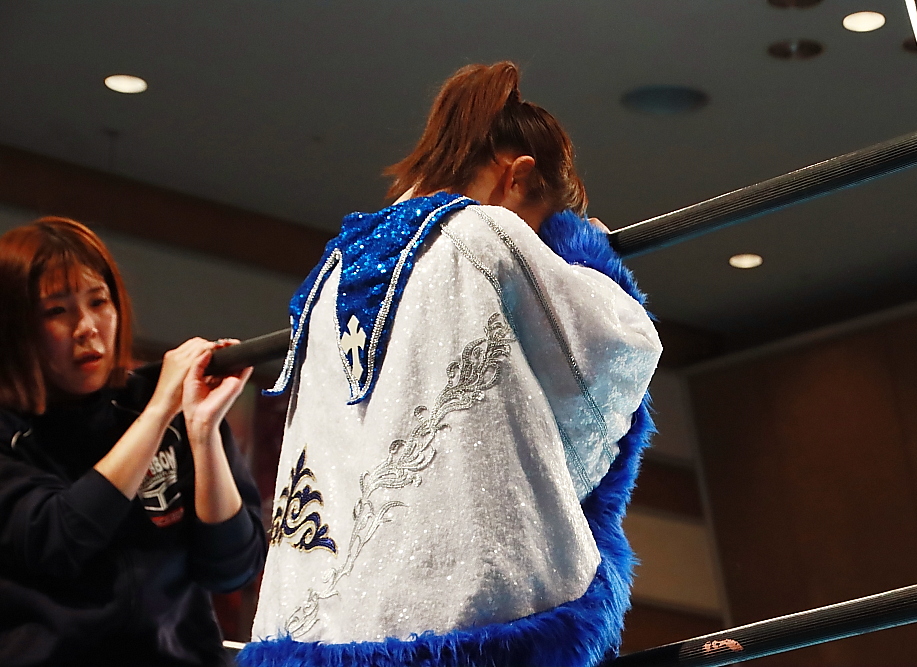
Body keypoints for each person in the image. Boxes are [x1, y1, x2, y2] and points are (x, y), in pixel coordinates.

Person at [243, 62, 661, 667]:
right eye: (542, 224)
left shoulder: (330, 270)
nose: (539, 243)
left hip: (315, 624)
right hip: (466, 613)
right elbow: (615, 351)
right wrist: (583, 254)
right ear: (517, 176)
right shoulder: (485, 232)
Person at [0, 217, 268, 666]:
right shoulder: (9, 432)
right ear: (15, 326)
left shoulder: (165, 404)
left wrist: (202, 433)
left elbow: (231, 568)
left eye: (98, 301)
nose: (87, 327)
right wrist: (160, 411)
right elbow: (61, 540)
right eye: (56, 311)